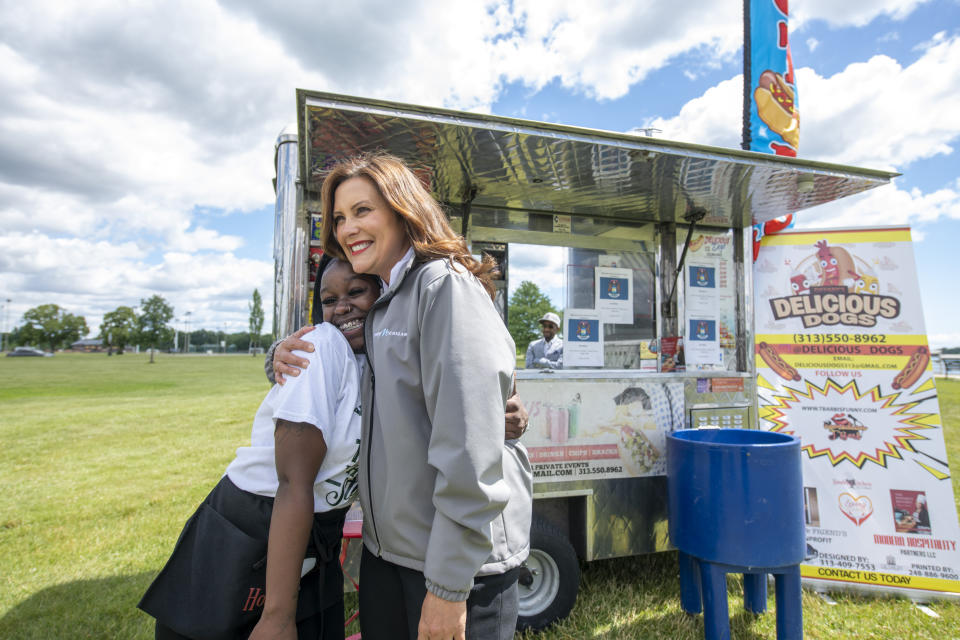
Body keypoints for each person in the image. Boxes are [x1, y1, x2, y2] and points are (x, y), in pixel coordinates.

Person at [272, 152, 532, 640]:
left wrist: (449, 587)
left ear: (402, 209)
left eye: (363, 210)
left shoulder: (444, 288)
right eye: (339, 218)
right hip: (390, 553)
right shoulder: (383, 299)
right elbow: (341, 367)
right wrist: (279, 356)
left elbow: (468, 453)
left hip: (454, 568)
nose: (348, 228)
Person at [139, 257, 379, 640]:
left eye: (356, 292)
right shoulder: (325, 345)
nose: (341, 307)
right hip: (257, 518)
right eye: (329, 300)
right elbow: (292, 482)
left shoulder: (381, 360)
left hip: (318, 530)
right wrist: (278, 616)